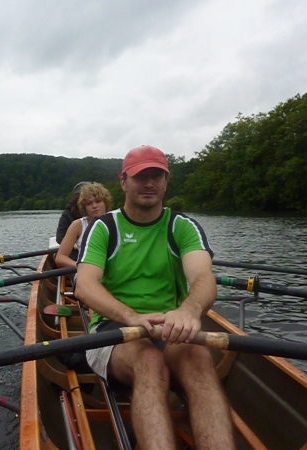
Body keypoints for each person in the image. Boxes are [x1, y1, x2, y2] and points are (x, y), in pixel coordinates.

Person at [75, 145, 234, 449]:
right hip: (113, 330)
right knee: (148, 360)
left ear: (165, 181)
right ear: (123, 182)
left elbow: (203, 278)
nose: (149, 183)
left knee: (200, 358)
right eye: (140, 176)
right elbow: (85, 286)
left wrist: (189, 311)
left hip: (170, 327)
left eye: (156, 175)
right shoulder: (103, 228)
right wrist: (132, 318)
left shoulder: (182, 227)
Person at [55, 182, 112, 268]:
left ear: (106, 203)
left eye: (98, 201)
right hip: (85, 273)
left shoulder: (117, 221)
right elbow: (60, 257)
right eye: (89, 203)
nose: (94, 206)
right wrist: (79, 266)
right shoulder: (77, 225)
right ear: (84, 207)